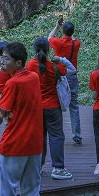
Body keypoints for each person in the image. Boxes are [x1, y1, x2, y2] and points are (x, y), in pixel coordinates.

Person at [0, 42, 47, 196]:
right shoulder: (33, 77)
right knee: (31, 192)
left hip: (13, 145)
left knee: (6, 194)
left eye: (6, 59)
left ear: (18, 63)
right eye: (2, 57)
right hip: (34, 144)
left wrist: (4, 111)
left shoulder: (12, 83)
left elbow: (0, 112)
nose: (2, 62)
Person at [27, 38, 76, 180]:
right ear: (49, 50)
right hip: (53, 107)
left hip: (37, 107)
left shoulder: (30, 65)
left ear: (35, 49)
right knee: (56, 137)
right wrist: (61, 59)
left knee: (39, 137)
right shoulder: (54, 66)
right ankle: (58, 168)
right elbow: (72, 70)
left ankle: (38, 167)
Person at [49, 18, 82, 145]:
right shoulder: (76, 43)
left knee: (57, 104)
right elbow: (72, 39)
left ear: (63, 31)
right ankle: (77, 135)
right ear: (72, 32)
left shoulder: (58, 42)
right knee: (74, 106)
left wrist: (57, 27)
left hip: (59, 76)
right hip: (72, 76)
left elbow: (49, 37)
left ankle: (56, 133)